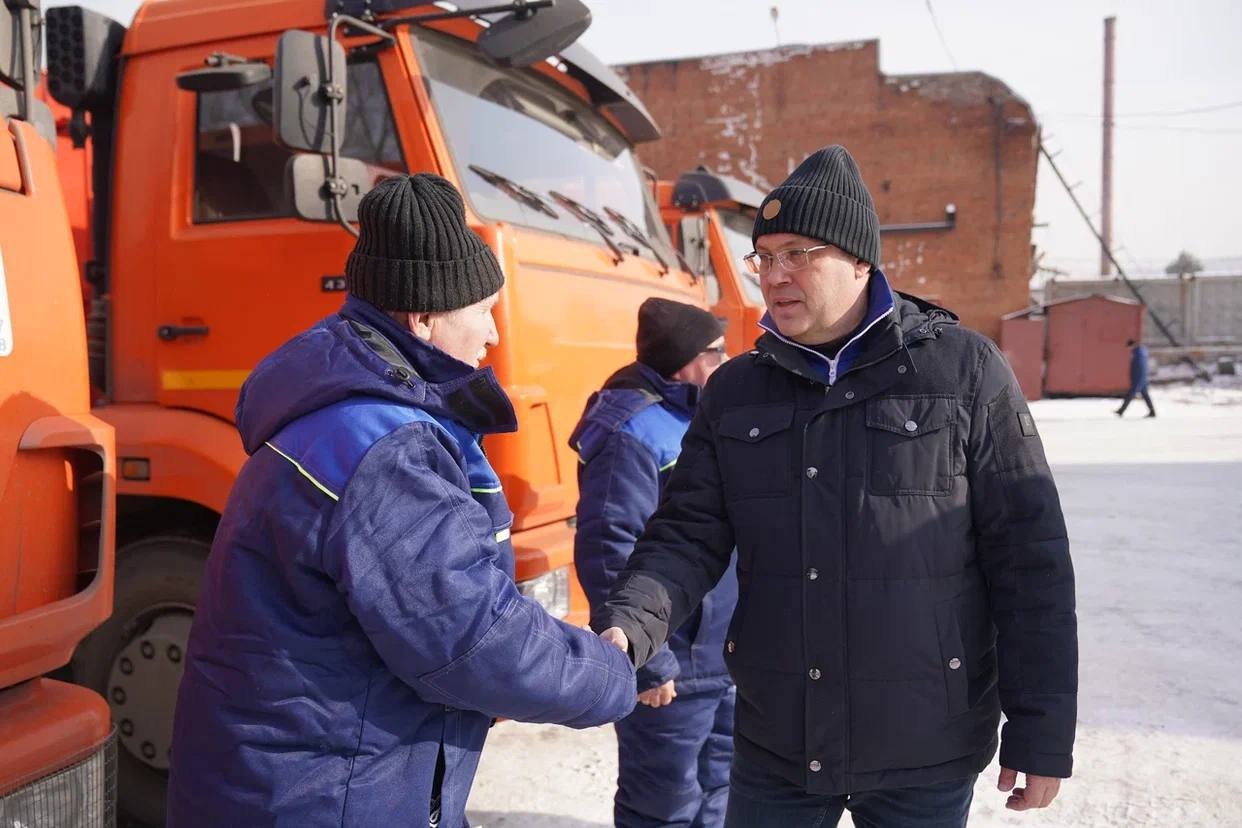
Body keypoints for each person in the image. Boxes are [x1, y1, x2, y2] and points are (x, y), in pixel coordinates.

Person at [592, 146, 1078, 828]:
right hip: (777, 742)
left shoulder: (963, 372)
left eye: (798, 254)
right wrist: (631, 623)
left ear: (859, 260)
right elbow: (685, 535)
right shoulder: (736, 391)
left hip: (924, 745)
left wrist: (1041, 730)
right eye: (764, 257)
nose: (775, 275)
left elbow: (1030, 562)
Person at [167, 174, 636, 828]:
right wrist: (611, 674)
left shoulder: (345, 417)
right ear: (424, 317)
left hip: (293, 783)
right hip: (327, 798)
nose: (493, 335)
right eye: (483, 311)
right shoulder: (387, 452)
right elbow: (472, 641)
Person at [572, 298, 737, 828]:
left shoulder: (699, 417)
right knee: (662, 806)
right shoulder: (632, 433)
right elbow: (609, 550)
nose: (726, 360)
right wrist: (650, 663)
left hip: (722, 659)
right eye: (717, 351)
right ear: (685, 361)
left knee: (724, 793)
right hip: (674, 666)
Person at [1116, 338, 1156, 418]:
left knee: (1130, 394)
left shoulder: (1137, 354)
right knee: (1145, 395)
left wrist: (1135, 378)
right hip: (1143, 377)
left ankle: (1121, 410)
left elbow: (1138, 367)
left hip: (1138, 378)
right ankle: (1152, 412)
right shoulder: (1142, 351)